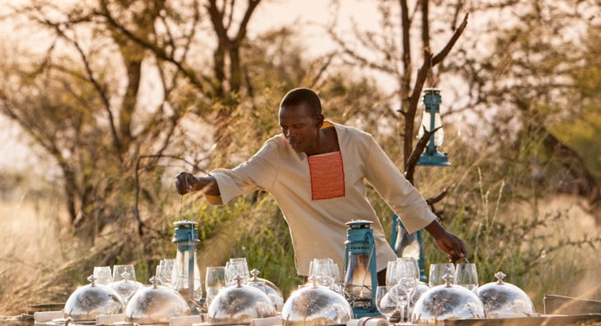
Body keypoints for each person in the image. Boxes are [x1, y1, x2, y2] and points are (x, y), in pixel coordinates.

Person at [175, 87, 469, 279]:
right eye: (284, 128)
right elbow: (234, 178)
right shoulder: (277, 154)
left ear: (318, 120)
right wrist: (197, 182)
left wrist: (438, 233)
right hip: (319, 273)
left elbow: (398, 192)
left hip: (374, 264)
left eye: (298, 126)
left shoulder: (358, 143)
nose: (290, 135)